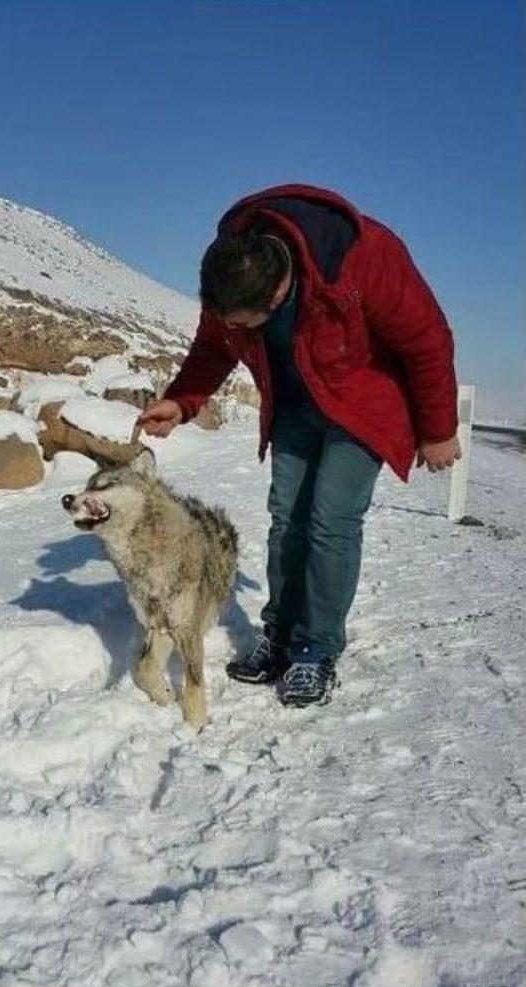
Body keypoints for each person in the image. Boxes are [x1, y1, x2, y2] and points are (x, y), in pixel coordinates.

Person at [137, 183, 460, 708]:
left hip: (363, 405)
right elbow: (212, 348)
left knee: (330, 518)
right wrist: (182, 400)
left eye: (244, 322)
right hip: (294, 408)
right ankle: (281, 634)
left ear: (278, 293)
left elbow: (427, 339)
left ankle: (316, 648)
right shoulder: (231, 267)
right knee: (287, 516)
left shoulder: (363, 256)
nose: (233, 328)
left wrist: (438, 429)